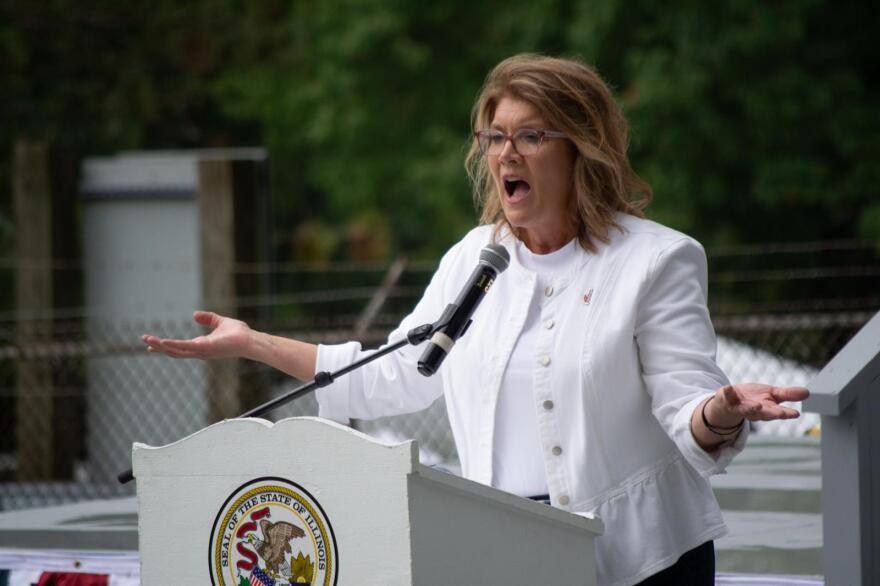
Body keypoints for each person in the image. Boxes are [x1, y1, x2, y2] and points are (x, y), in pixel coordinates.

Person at [143, 54, 809, 585]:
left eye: (530, 135)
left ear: (583, 147)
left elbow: (686, 411)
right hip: (505, 550)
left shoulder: (657, 260)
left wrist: (722, 408)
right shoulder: (475, 257)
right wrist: (250, 341)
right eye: (495, 137)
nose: (505, 154)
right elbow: (401, 373)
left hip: (641, 559)